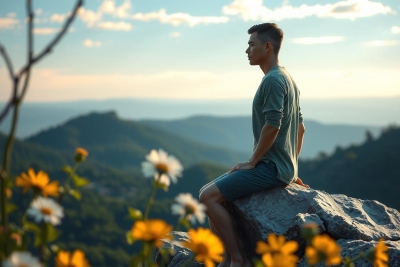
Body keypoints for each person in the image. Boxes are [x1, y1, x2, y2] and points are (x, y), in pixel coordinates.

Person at [199, 23, 309, 267]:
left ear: (267, 47)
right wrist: (292, 166)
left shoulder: (272, 81)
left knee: (207, 196)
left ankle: (238, 261)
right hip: (281, 167)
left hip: (270, 167)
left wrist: (252, 162)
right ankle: (226, 258)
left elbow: (273, 125)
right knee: (213, 192)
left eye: (251, 45)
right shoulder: (288, 78)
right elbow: (300, 128)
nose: (246, 50)